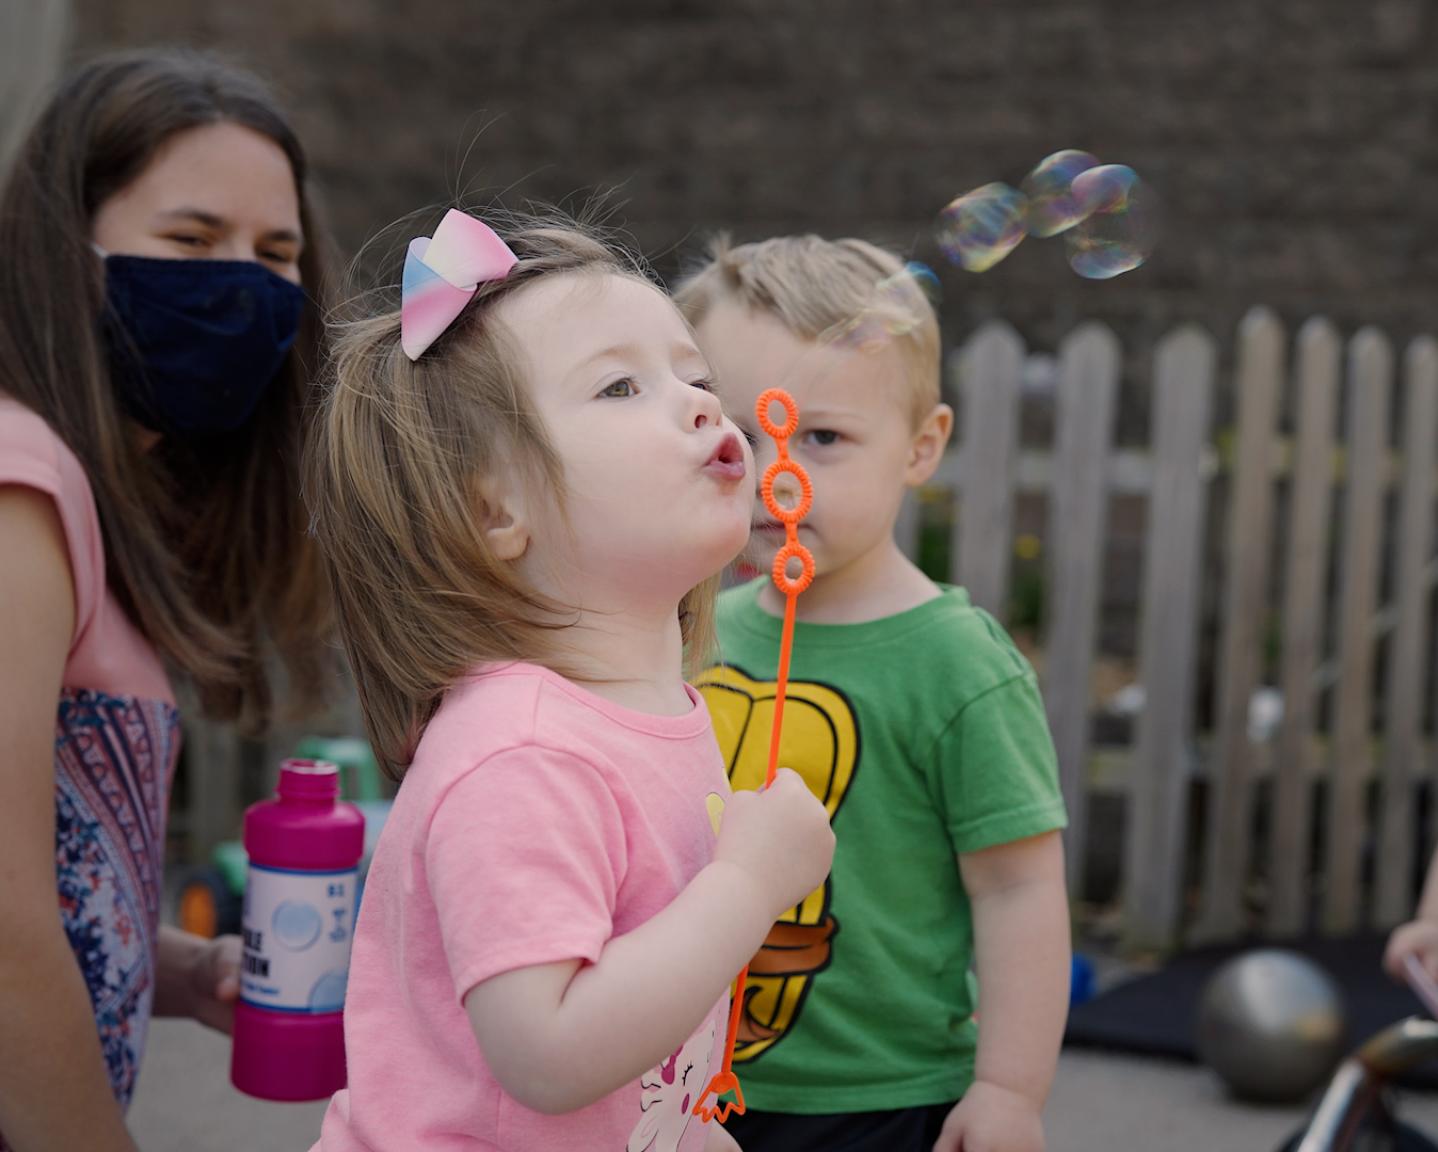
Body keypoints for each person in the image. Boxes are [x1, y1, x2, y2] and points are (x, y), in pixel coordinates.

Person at [304, 205, 836, 1152]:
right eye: (622, 387)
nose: (704, 404)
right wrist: (750, 885)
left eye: (697, 374)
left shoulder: (649, 712)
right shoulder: (521, 752)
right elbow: (547, 1053)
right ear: (493, 510)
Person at [0, 49, 334, 1152]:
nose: (242, 282)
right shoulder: (19, 476)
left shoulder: (93, 500)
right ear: (63, 251)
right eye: (191, 242)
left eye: (275, 253)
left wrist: (179, 968)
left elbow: (52, 882)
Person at [675, 235, 1071, 1152]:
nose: (777, 472)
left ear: (922, 447)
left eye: (822, 436)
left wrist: (1011, 1089)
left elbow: (1017, 888)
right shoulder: (689, 631)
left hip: (881, 1102)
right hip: (683, 1081)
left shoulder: (956, 664)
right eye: (740, 431)